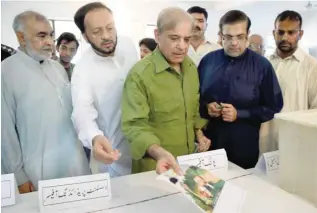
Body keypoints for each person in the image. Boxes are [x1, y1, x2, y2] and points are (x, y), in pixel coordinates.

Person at [1, 11, 90, 193]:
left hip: (75, 161)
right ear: (21, 37)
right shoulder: (6, 72)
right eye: (41, 36)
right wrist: (18, 177)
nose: (50, 42)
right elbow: (4, 131)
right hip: (38, 169)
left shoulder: (57, 67)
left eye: (51, 34)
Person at [122, 7, 211, 174]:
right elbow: (134, 126)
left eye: (187, 39)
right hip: (155, 168)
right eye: (174, 38)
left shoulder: (191, 68)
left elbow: (193, 110)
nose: (182, 46)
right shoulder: (139, 75)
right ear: (157, 35)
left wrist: (199, 133)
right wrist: (159, 153)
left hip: (187, 164)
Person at [198, 10, 283, 169]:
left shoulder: (262, 66)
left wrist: (240, 114)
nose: (234, 43)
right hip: (209, 146)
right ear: (221, 35)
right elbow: (194, 98)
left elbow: (273, 107)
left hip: (244, 148)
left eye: (240, 36)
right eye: (228, 37)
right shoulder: (208, 62)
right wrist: (206, 108)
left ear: (248, 35)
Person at [71, 2, 138, 177]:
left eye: (110, 28)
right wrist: (94, 137)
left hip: (143, 144)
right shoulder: (82, 70)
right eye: (97, 32)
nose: (107, 36)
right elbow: (82, 111)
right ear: (85, 37)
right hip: (113, 155)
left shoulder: (128, 45)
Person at [268, 10, 317, 112]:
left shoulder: (312, 66)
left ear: (300, 34)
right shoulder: (265, 63)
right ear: (274, 33)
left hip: (294, 128)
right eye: (280, 32)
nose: (285, 37)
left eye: (291, 32)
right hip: (265, 127)